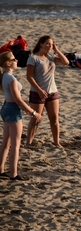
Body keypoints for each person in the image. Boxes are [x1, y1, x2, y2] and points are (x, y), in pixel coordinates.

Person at [0, 51, 42, 180]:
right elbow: (18, 100)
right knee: (15, 144)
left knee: (6, 142)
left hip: (6, 107)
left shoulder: (4, 76)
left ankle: (1, 169)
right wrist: (33, 113)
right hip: (12, 109)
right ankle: (13, 174)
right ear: (8, 63)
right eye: (14, 59)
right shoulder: (10, 79)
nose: (17, 60)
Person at [26, 35, 69, 148]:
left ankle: (56, 142)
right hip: (37, 92)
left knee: (54, 118)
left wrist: (57, 50)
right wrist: (39, 90)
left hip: (53, 92)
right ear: (41, 44)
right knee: (36, 119)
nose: (49, 46)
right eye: (47, 44)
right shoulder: (33, 58)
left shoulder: (51, 57)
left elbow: (66, 62)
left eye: (51, 44)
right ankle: (28, 143)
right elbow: (29, 76)